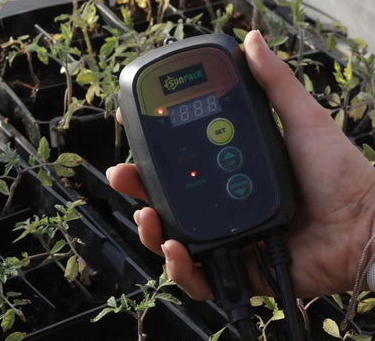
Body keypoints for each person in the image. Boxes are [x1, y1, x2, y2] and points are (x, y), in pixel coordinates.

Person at [105, 29, 375, 300]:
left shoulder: (221, 56)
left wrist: (364, 230)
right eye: (185, 113)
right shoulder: (214, 57)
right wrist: (363, 235)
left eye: (204, 106)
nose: (195, 115)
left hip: (242, 221)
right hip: (250, 220)